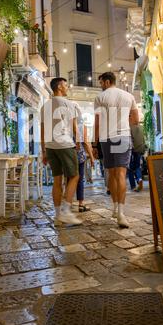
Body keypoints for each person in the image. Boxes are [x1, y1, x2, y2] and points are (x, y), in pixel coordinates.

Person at [93, 72, 139, 227]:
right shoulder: (128, 96)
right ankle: (121, 213)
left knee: (111, 174)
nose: (100, 86)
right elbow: (136, 119)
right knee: (121, 174)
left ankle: (114, 207)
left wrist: (95, 144)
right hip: (123, 136)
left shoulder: (100, 98)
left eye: (101, 83)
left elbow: (97, 123)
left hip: (106, 138)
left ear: (106, 82)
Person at [40, 78, 82, 226]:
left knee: (57, 180)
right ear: (59, 87)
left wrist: (43, 151)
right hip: (65, 144)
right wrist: (78, 143)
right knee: (75, 176)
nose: (67, 87)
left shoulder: (44, 106)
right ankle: (66, 211)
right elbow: (75, 128)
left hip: (51, 146)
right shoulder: (69, 104)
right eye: (65, 85)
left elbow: (43, 130)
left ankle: (58, 217)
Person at [73, 103, 95, 212]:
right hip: (79, 155)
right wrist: (91, 157)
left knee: (69, 179)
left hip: (68, 154)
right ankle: (81, 204)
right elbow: (85, 142)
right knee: (80, 179)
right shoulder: (82, 126)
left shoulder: (66, 125)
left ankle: (67, 204)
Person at [128, 124, 146, 192]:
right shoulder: (141, 127)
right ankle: (139, 179)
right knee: (137, 166)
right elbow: (143, 140)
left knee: (130, 169)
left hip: (131, 150)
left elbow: (129, 140)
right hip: (139, 149)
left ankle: (133, 186)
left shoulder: (129, 127)